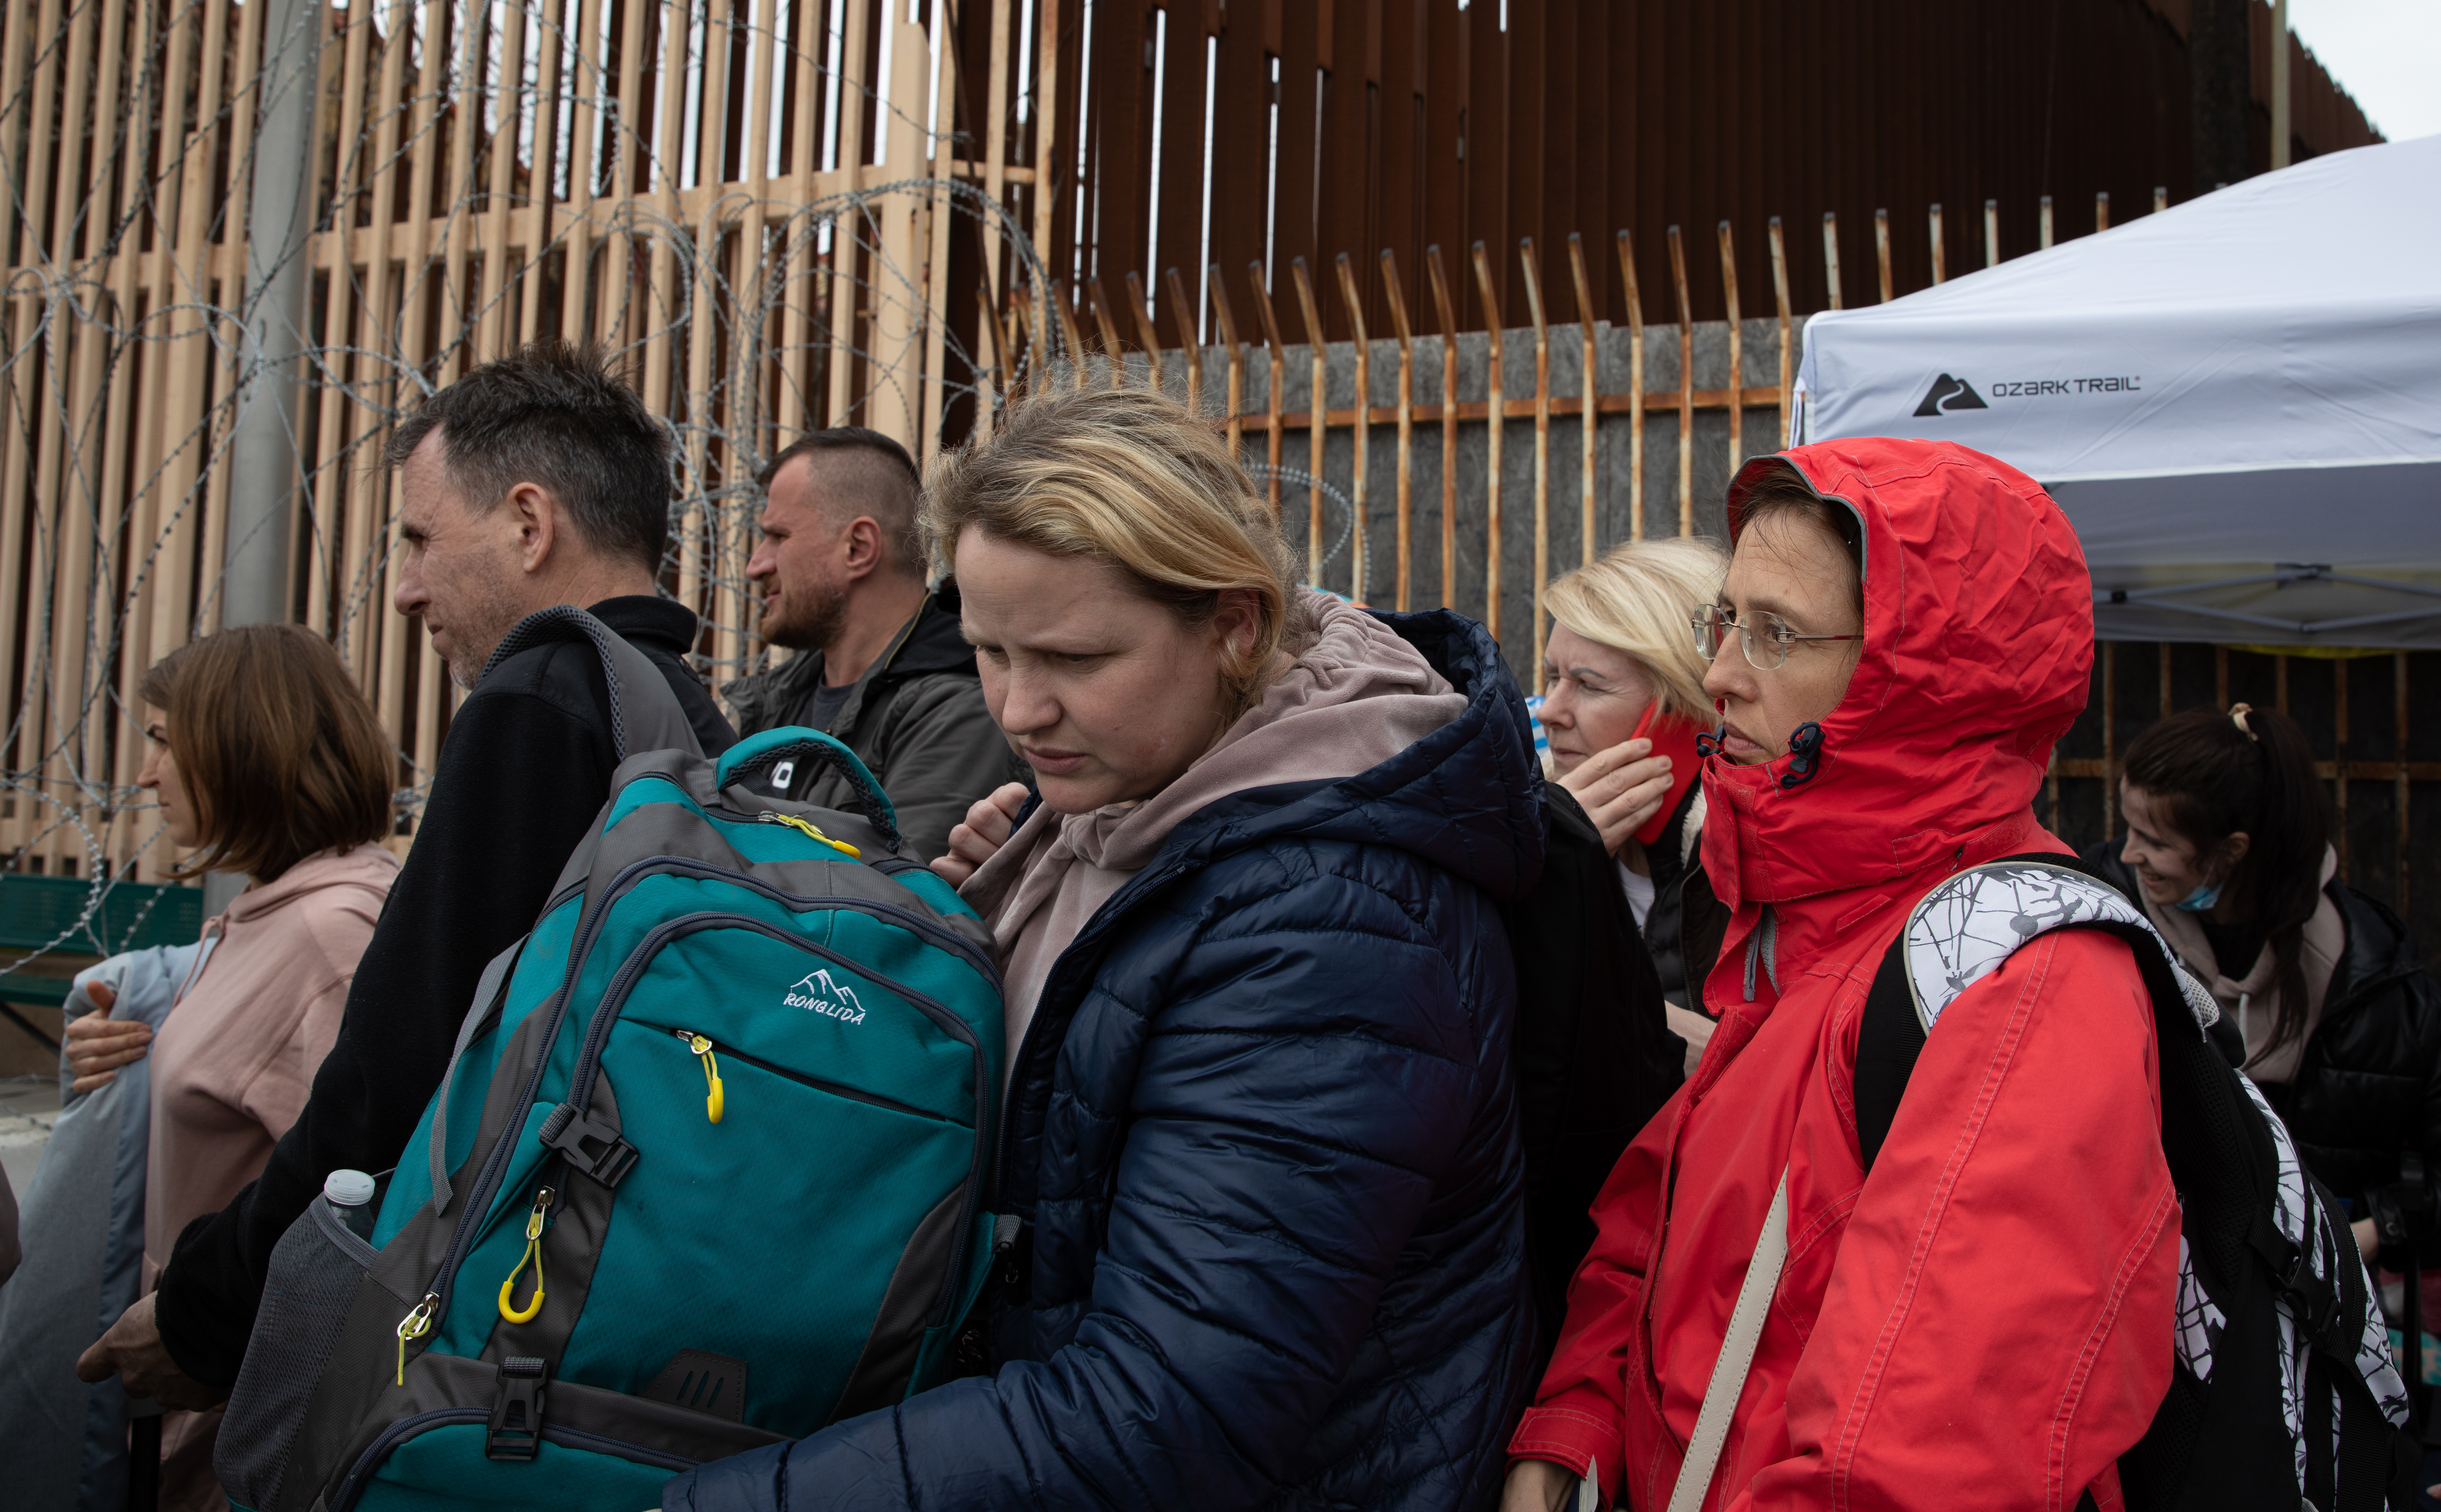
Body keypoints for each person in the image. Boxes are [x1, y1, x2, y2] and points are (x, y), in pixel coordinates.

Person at [663, 386, 1542, 1510]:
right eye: (988, 650)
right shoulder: (1117, 821)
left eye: (1074, 658)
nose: (1019, 708)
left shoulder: (1330, 923)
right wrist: (976, 925)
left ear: (1231, 625)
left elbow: (1167, 1411)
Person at [1505, 441, 2179, 1511]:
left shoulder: (2023, 984)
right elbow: (1668, 1223)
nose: (1721, 672)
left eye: (1774, 634)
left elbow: (1919, 1467)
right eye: (1723, 620)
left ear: (1919, 681)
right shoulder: (1811, 927)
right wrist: (1573, 1425)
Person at [77, 340, 738, 1404]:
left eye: (422, 539)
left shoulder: (543, 692)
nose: (404, 589)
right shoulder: (683, 717)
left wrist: (210, 1306)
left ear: (530, 524)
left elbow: (397, 1074)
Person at [57, 625, 398, 1512]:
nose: (144, 773)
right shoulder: (268, 909)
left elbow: (360, 1205)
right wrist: (129, 1057)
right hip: (194, 1410)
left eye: (164, 740)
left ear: (243, 745)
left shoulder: (330, 935)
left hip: (244, 1443)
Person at [2088, 705, 2441, 1271]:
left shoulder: (2376, 986)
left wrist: (2363, 1238)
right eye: (2128, 828)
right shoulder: (2098, 918)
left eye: (2153, 839)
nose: (2128, 853)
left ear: (2232, 850)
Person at [726, 427, 1018, 859]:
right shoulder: (776, 699)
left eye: (778, 536)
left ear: (858, 547)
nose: (756, 564)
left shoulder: (957, 708)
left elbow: (890, 896)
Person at [1540, 537, 1730, 1071]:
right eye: (1553, 676)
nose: (1550, 710)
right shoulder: (1526, 828)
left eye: (1588, 685)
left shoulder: (1747, 855)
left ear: (1681, 709)